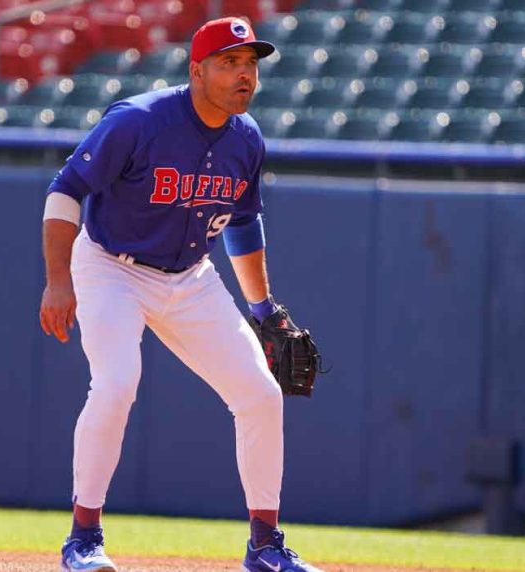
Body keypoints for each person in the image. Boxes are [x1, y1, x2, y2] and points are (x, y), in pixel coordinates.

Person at [38, 16, 323, 572]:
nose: (244, 75)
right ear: (197, 71)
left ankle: (265, 546)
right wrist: (58, 278)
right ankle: (83, 538)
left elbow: (243, 223)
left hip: (191, 277)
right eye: (229, 63)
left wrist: (262, 309)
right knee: (116, 383)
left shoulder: (247, 138)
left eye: (250, 64)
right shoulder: (138, 120)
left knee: (261, 396)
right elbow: (65, 189)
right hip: (111, 267)